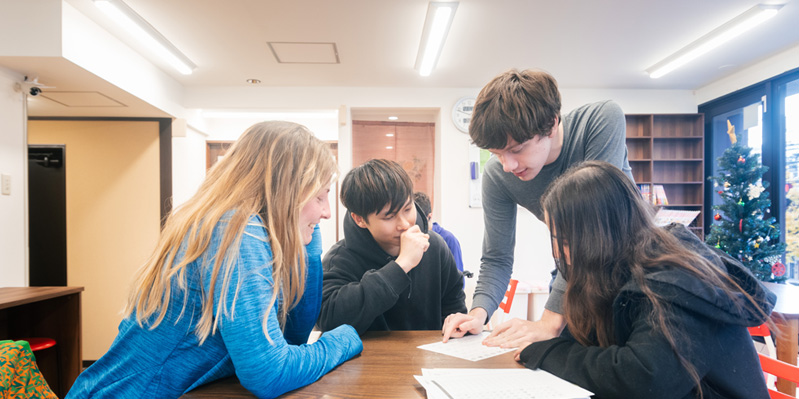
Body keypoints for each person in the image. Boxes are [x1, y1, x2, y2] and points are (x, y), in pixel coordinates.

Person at [66, 122, 362, 399]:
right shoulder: (236, 230)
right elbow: (269, 374)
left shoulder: (245, 229)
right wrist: (346, 337)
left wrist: (308, 242)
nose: (327, 213)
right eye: (321, 197)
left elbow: (292, 340)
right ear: (287, 192)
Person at [515, 160, 775, 398]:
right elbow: (587, 344)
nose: (559, 253)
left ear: (599, 239)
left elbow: (644, 379)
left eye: (566, 241)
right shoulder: (613, 270)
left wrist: (550, 352)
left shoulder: (675, 280)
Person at [442, 68, 633, 346]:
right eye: (496, 154)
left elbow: (592, 233)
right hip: (575, 279)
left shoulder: (601, 121)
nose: (508, 165)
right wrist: (478, 314)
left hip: (633, 275)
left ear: (552, 124)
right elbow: (497, 258)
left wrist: (549, 322)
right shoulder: (498, 175)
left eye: (517, 149)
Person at [318, 159, 466, 334]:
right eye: (389, 217)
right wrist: (401, 266)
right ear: (360, 219)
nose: (404, 224)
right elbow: (328, 321)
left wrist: (458, 322)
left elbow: (454, 305)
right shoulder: (339, 260)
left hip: (428, 359)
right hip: (369, 360)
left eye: (407, 209)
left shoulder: (434, 245)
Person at [413, 191, 464, 274]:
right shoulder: (410, 238)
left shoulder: (448, 239)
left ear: (429, 216)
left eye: (418, 220)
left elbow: (458, 279)